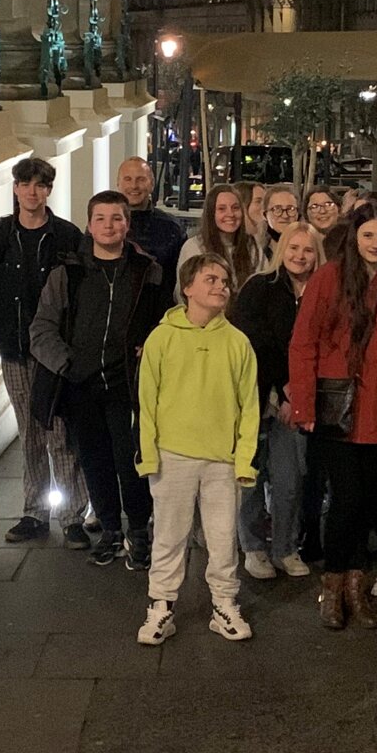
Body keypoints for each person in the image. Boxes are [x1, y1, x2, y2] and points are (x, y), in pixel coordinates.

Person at [289, 198, 377, 632]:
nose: (376, 243)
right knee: (345, 500)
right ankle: (335, 585)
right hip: (338, 407)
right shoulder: (329, 278)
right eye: (368, 235)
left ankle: (357, 586)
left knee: (368, 499)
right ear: (354, 237)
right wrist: (304, 405)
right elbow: (303, 342)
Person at [32, 191, 171, 567]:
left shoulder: (149, 271)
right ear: (89, 224)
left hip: (128, 384)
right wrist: (66, 364)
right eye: (101, 218)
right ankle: (110, 528)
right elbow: (42, 328)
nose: (109, 226)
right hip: (81, 385)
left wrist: (151, 349)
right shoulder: (68, 273)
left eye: (117, 218)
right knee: (94, 460)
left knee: (132, 459)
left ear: (127, 223)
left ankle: (138, 530)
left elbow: (167, 322)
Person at [134, 254, 262, 645]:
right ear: (187, 287)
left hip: (222, 462)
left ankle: (224, 604)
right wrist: (150, 456)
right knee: (169, 536)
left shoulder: (238, 343)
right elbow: (147, 403)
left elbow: (249, 407)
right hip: (173, 456)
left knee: (223, 539)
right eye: (211, 279)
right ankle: (161, 606)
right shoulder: (161, 337)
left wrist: (244, 461)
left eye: (225, 280)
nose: (221, 286)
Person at [0, 159, 87, 544]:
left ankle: (73, 514)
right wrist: (1, 334)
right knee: (29, 432)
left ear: (48, 191)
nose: (32, 191)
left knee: (60, 430)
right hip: (15, 351)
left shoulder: (67, 236)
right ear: (15, 188)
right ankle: (34, 511)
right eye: (25, 184)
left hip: (56, 351)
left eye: (40, 185)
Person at [233, 222, 321, 580]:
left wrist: (297, 396)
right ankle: (253, 548)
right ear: (282, 249)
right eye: (293, 248)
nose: (300, 256)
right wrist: (280, 389)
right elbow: (253, 343)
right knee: (250, 478)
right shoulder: (258, 288)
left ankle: (285, 547)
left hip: (296, 403)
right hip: (258, 397)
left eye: (308, 250)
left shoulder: (323, 291)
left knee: (289, 480)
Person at [179, 182, 259, 294]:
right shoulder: (194, 247)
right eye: (222, 209)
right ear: (211, 213)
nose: (230, 214)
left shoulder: (252, 246)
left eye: (235, 208)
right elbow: (182, 294)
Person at [117, 156, 185, 270]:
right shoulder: (102, 225)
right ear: (118, 184)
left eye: (141, 179)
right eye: (128, 179)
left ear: (152, 184)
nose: (134, 186)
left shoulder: (172, 228)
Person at [260, 185, 301, 265]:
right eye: (277, 209)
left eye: (291, 209)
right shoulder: (258, 252)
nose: (285, 215)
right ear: (264, 215)